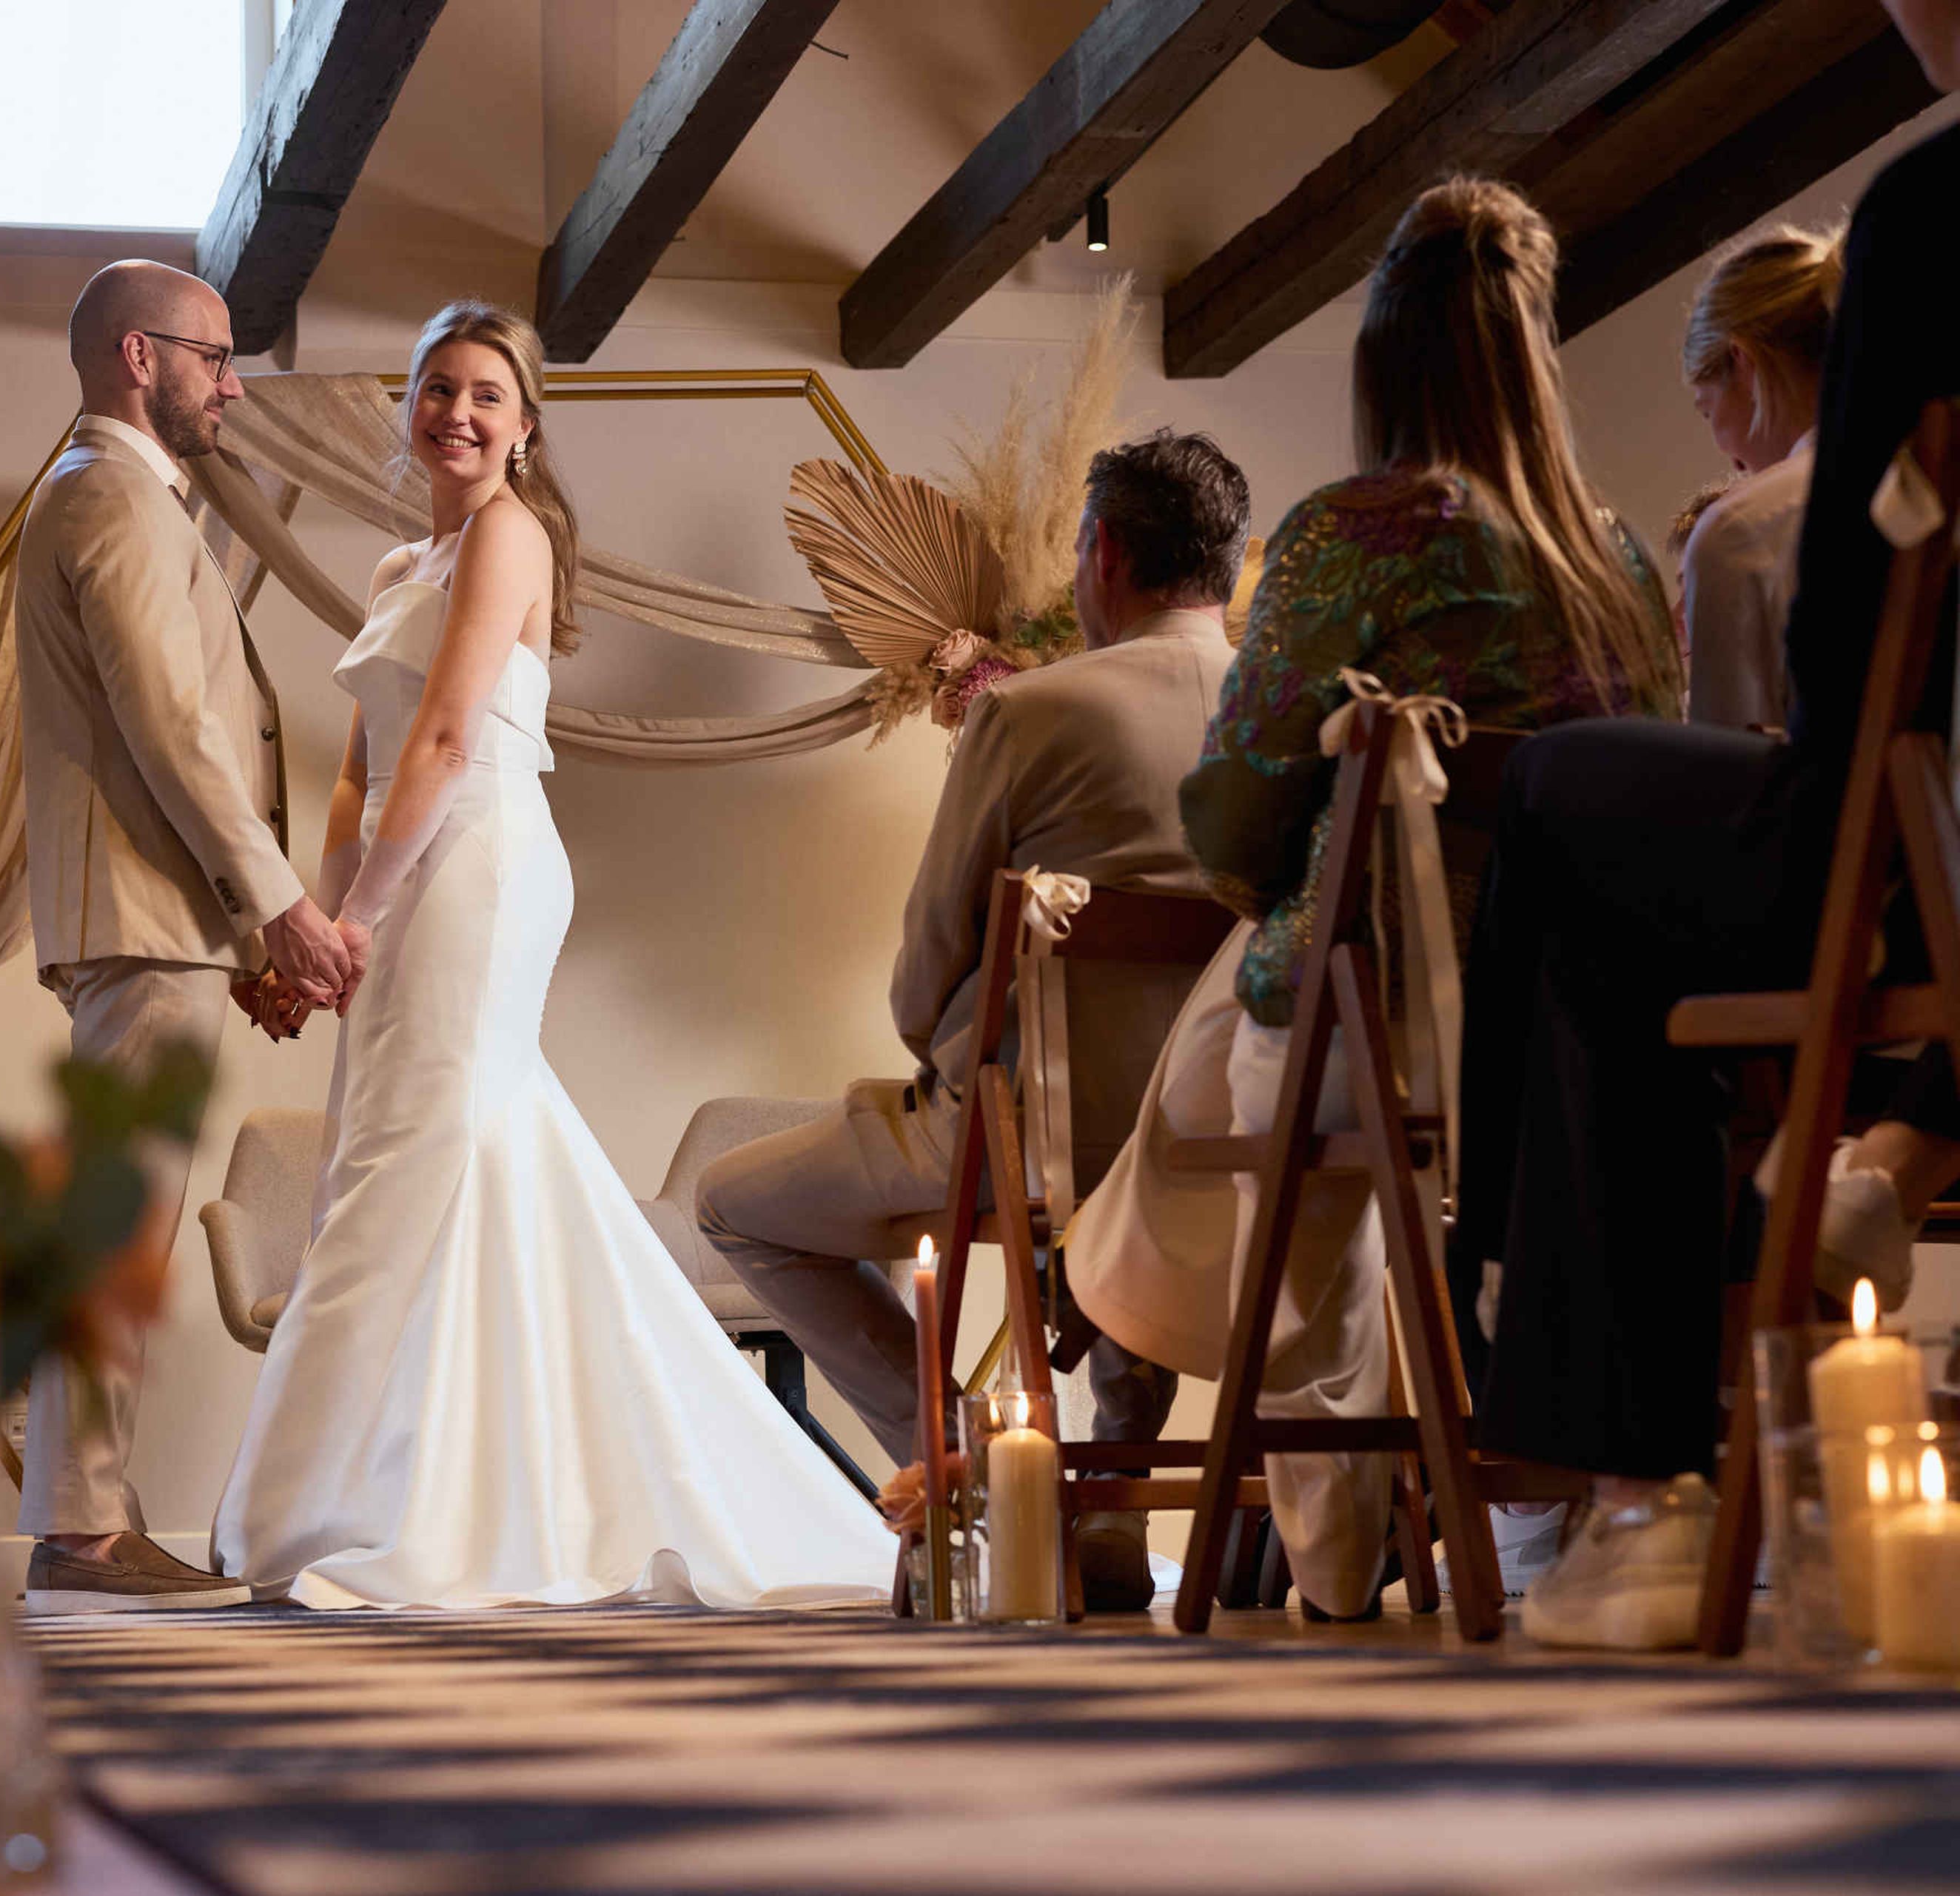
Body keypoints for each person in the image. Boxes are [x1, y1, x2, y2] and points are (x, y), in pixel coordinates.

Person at [209, 301, 887, 1609]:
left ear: (526, 425)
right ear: (408, 408)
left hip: (478, 869)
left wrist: (364, 919)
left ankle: (351, 1507)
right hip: (407, 872)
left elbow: (452, 742)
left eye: (484, 395)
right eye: (434, 389)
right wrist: (312, 927)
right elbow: (361, 771)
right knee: (422, 1156)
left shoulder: (512, 537)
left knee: (415, 1154)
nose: (455, 414)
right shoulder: (406, 564)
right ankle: (436, 1487)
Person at [1074, 178, 1680, 1624]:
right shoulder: (1623, 559)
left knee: (1234, 1079)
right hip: (1590, 1030)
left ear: (1382, 362)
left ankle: (1328, 1535)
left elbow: (1231, 821)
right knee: (1294, 1104)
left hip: (1385, 1015)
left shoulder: (1350, 535)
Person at [1457, 0, 1960, 1651]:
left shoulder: (1934, 209)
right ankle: (1903, 1145)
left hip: (1906, 846)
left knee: (1561, 798)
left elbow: (1850, 638)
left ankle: (1621, 1487)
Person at [693, 431, 1252, 1612]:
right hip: (1229, 1131)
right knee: (1127, 1173)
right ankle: (1105, 1512)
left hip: (1028, 1131)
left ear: (1102, 554)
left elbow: (927, 971)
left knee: (735, 1202)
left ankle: (979, 1466)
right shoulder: (1278, 717)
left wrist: (947, 1046)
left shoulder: (1030, 713)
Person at [10, 259, 359, 1611]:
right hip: (147, 916)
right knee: (117, 1226)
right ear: (135, 357)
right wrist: (276, 902)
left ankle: (88, 1515)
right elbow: (172, 726)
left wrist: (255, 928)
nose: (233, 381)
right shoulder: (108, 495)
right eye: (213, 355)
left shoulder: (129, 498)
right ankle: (86, 1536)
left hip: (159, 915)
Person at [1676, 226, 1842, 730]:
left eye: (1707, 413)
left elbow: (1726, 779)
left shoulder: (1741, 533)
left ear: (1744, 362)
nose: (1731, 462)